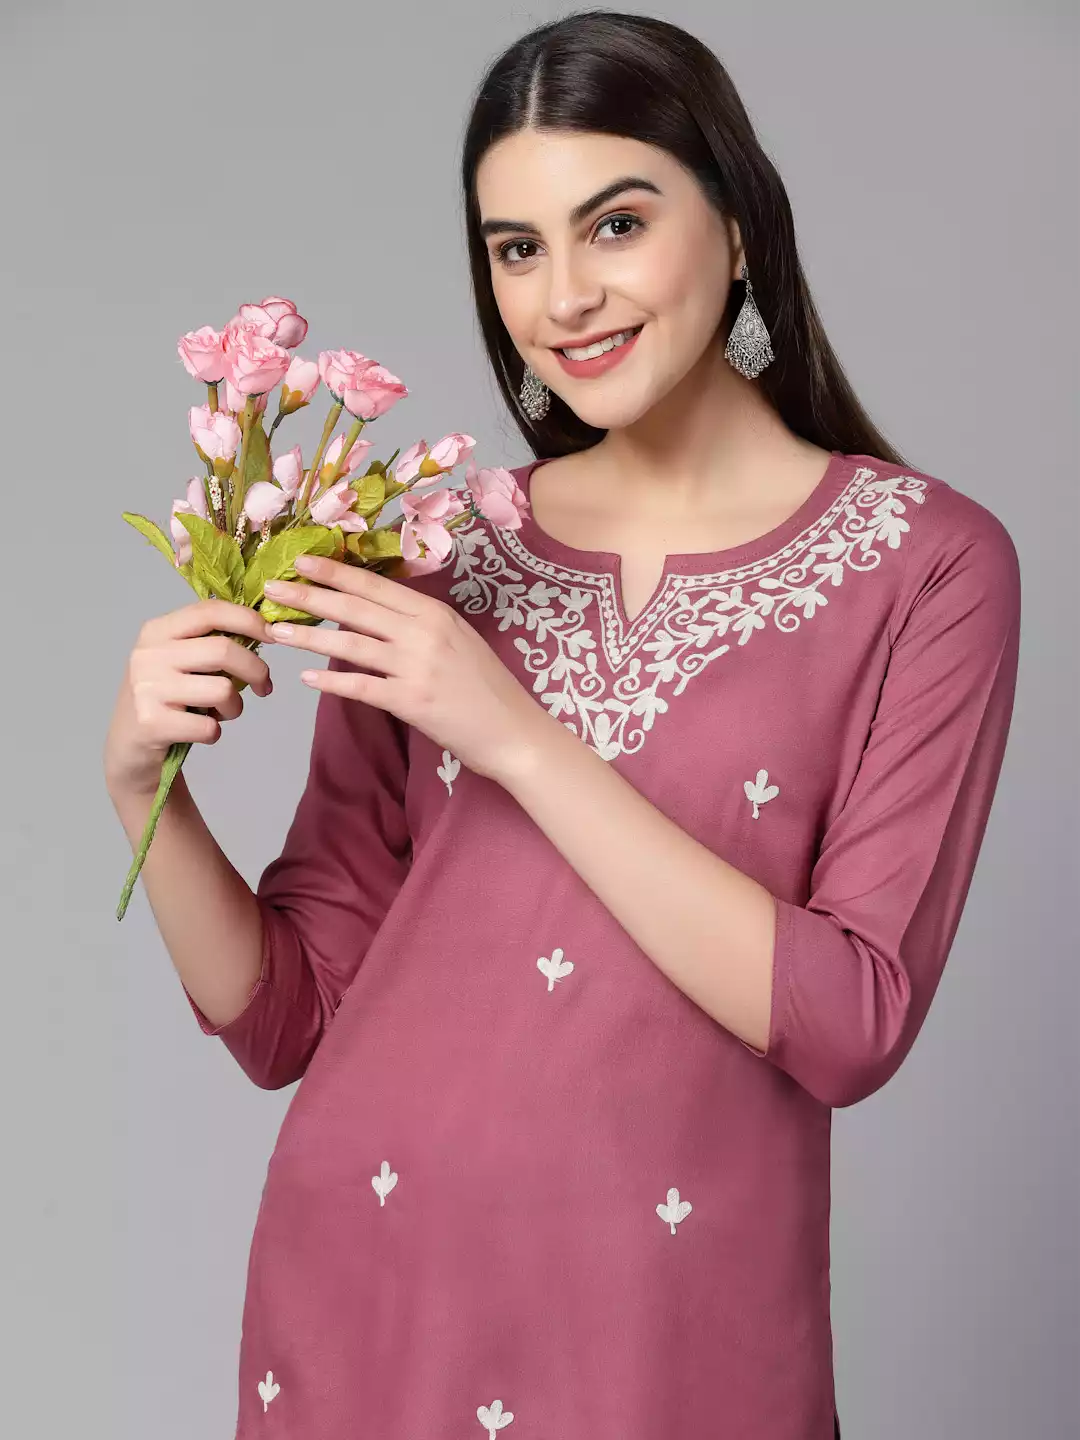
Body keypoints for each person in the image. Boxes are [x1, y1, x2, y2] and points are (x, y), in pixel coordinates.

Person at [104, 11, 1020, 1439]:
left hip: (671, 1334)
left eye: (617, 225)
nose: (566, 296)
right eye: (517, 248)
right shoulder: (432, 549)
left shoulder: (928, 566)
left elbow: (850, 1022)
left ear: (738, 223)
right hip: (364, 1298)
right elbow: (290, 1018)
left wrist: (517, 736)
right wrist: (139, 789)